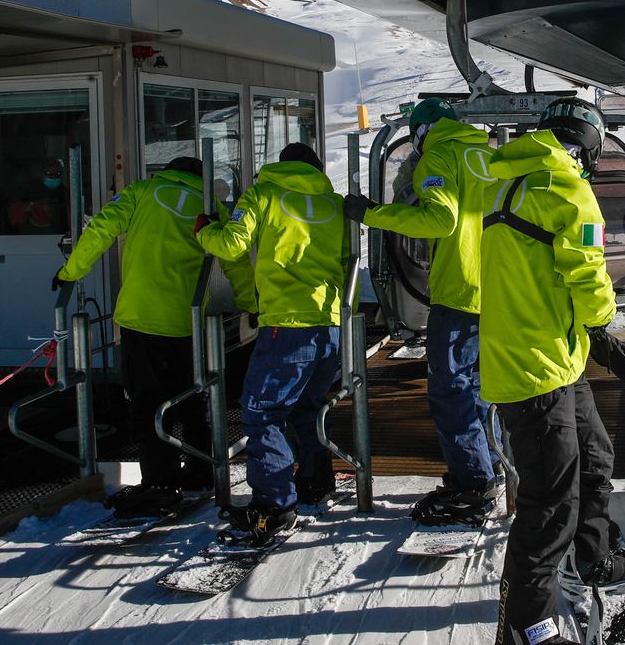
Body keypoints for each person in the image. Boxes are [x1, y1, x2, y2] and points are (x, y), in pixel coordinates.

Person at [479, 98, 625, 645]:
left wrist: (584, 336)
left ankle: (592, 555)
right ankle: (527, 628)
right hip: (536, 369)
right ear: (589, 148)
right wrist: (602, 324)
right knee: (549, 506)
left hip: (551, 357)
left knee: (594, 459)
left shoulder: (505, 182)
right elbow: (589, 277)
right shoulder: (568, 189)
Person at [54, 155, 257, 518]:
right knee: (193, 396)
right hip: (186, 320)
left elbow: (100, 229)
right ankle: (201, 470)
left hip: (141, 318)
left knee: (147, 402)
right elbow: (236, 261)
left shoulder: (141, 192)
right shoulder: (210, 206)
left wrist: (71, 271)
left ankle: (161, 483)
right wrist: (249, 304)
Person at [342, 98, 498, 526]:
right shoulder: (489, 155)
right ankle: (491, 465)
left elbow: (440, 220)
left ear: (421, 134)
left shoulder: (439, 157)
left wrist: (373, 215)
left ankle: (472, 483)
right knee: (481, 387)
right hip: (499, 290)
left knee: (449, 389)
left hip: (460, 292)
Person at [195, 142, 345, 545]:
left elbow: (231, 245)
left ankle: (274, 506)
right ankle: (316, 482)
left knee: (263, 413)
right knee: (309, 407)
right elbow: (347, 259)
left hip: (285, 322)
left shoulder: (263, 195)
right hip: (329, 322)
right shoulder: (333, 203)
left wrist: (206, 229)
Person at [6, 158, 69, 234]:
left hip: (56, 232)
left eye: (57, 174)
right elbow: (15, 211)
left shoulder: (64, 191)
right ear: (41, 173)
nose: (53, 177)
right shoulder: (27, 189)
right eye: (49, 173)